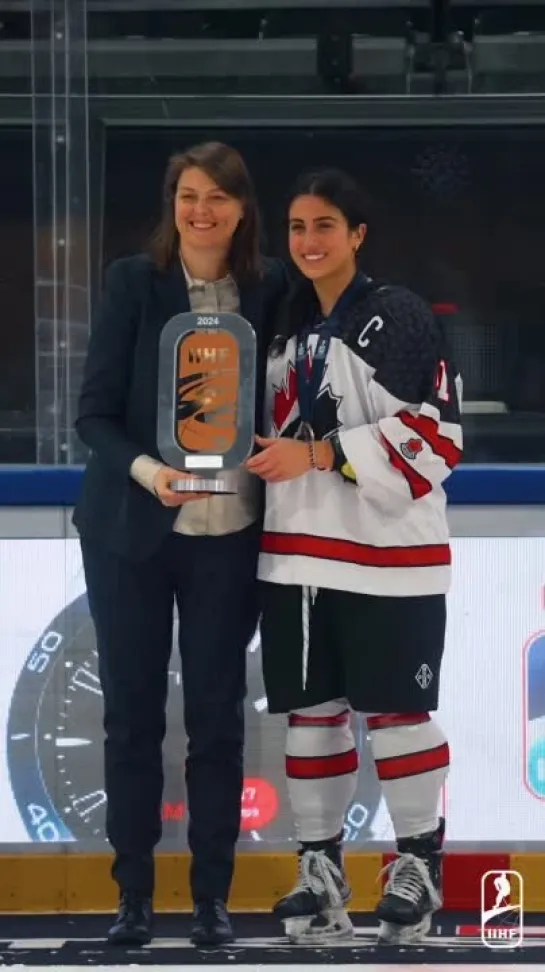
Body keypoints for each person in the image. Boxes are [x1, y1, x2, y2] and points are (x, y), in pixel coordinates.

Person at [73, 142, 287, 947]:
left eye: (218, 198)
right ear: (172, 204)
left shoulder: (270, 292)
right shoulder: (134, 283)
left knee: (217, 721)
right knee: (130, 716)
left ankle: (210, 900)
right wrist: (147, 471)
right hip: (133, 530)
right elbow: (92, 414)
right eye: (188, 196)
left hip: (227, 535)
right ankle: (132, 896)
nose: (202, 211)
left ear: (241, 209)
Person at [247, 168, 462, 946]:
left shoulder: (396, 316)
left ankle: (416, 863)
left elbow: (439, 441)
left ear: (357, 235)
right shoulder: (279, 329)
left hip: (388, 556)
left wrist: (318, 457)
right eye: (297, 227)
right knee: (309, 717)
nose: (308, 242)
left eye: (324, 226)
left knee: (398, 715)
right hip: (295, 559)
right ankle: (319, 864)